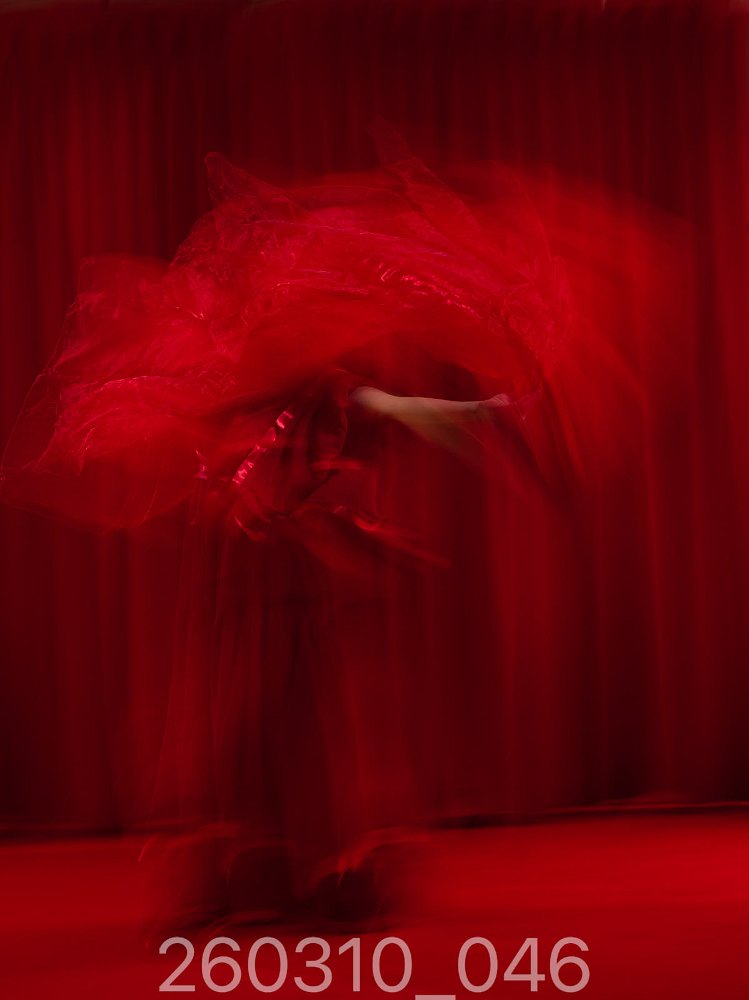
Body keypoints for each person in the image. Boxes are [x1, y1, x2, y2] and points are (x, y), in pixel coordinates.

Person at [0, 121, 686, 929]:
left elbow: (420, 416)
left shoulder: (335, 392)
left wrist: (502, 421)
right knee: (248, 722)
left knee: (317, 724)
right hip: (256, 581)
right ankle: (251, 864)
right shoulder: (233, 388)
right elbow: (207, 454)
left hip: (309, 581)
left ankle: (322, 865)